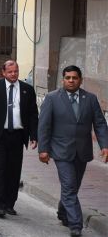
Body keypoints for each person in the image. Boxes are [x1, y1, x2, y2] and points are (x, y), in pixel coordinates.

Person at [37, 65, 108, 237]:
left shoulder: (90, 98)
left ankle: (63, 212)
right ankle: (75, 225)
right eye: (67, 78)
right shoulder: (53, 98)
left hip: (82, 150)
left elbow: (99, 123)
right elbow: (44, 125)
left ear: (80, 80)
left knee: (73, 186)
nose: (71, 81)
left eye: (74, 78)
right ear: (63, 79)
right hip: (61, 150)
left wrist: (105, 146)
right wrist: (43, 149)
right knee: (69, 186)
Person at [0, 60, 38, 218]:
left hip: (18, 136)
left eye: (16, 71)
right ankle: (0, 205)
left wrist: (34, 135)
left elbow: (33, 114)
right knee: (0, 170)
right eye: (10, 71)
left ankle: (9, 204)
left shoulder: (27, 89)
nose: (14, 74)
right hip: (0, 135)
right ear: (3, 72)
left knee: (14, 171)